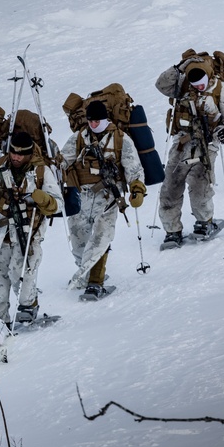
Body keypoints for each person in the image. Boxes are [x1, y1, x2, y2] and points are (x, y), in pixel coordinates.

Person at [0, 128, 63, 328]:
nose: (15, 156)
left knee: (21, 272)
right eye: (13, 152)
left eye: (20, 153)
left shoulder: (41, 171)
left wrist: (43, 198)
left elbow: (58, 203)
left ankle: (28, 305)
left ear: (29, 153)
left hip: (27, 233)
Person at [60, 99, 146, 300]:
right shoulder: (78, 138)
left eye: (97, 121)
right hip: (82, 195)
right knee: (79, 240)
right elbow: (63, 161)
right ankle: (87, 270)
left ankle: (95, 283)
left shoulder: (120, 139)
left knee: (100, 237)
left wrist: (137, 188)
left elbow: (134, 168)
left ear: (105, 119)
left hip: (107, 196)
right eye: (90, 121)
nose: (93, 124)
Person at [154, 57, 224, 247]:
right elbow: (160, 85)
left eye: (201, 83)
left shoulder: (219, 88)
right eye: (195, 84)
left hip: (207, 143)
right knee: (170, 185)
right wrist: (178, 68)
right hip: (181, 143)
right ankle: (172, 230)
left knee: (200, 185)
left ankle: (204, 222)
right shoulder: (181, 84)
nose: (199, 87)